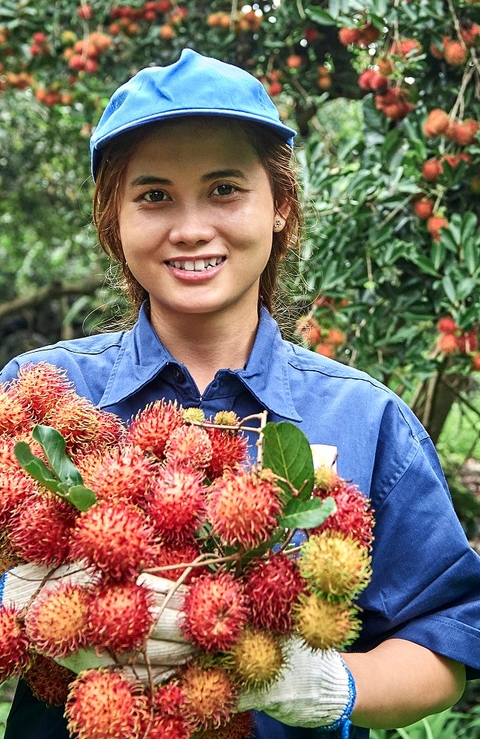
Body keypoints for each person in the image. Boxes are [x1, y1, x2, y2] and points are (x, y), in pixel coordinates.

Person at [1, 47, 479, 739]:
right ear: (115, 219)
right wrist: (19, 609)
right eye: (154, 195)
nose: (192, 227)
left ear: (281, 206)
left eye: (225, 189)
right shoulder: (39, 396)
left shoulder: (366, 419)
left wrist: (333, 684)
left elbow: (445, 644)